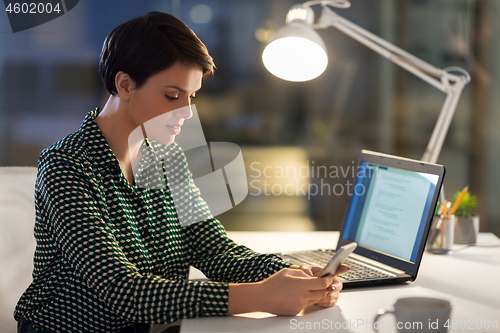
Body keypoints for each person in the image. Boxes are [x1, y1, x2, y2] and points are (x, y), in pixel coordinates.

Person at [14, 11, 348, 333]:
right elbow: (122, 291)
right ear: (125, 84)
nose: (187, 112)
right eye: (172, 95)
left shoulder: (166, 157)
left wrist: (296, 276)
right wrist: (263, 295)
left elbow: (214, 250)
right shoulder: (66, 165)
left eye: (192, 96)